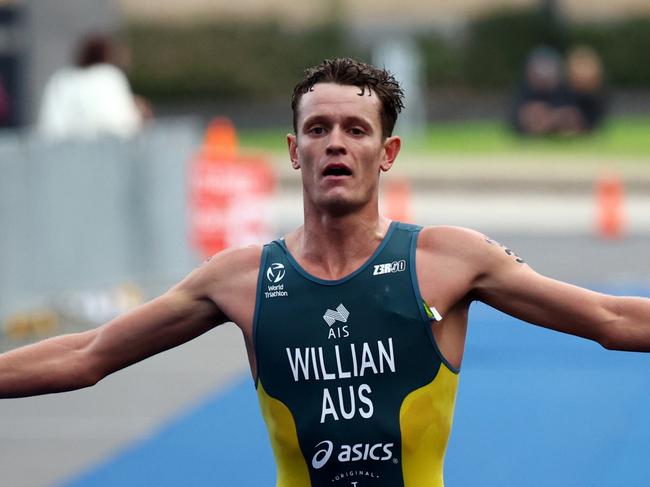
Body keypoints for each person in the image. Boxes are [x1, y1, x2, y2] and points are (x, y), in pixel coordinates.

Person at [2, 58, 649, 487]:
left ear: (386, 151)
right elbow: (90, 352)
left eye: (355, 129)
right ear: (294, 150)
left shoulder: (448, 260)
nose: (335, 141)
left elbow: (610, 317)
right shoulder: (238, 278)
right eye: (318, 128)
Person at [37, 33, 151, 140]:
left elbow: (49, 127)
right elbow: (124, 123)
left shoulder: (60, 80)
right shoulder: (109, 76)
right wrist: (139, 113)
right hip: (105, 153)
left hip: (65, 154)